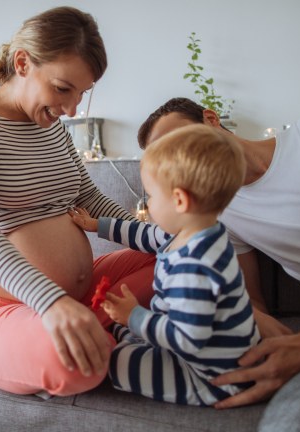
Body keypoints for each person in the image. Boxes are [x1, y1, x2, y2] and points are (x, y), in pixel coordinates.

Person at [0, 6, 156, 397]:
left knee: (178, 253)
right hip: (0, 309)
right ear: (22, 62)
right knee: (80, 364)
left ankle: (98, 327)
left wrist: (158, 235)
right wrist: (50, 300)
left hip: (81, 297)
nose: (71, 110)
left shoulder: (51, 127)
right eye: (62, 88)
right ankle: (98, 335)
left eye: (82, 94)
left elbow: (89, 197)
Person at [139, 97, 300, 428]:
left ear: (210, 119)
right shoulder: (214, 215)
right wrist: (251, 356)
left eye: (182, 139)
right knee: (293, 420)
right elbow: (252, 303)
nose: (183, 157)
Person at [69, 124, 261, 405]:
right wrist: (98, 225)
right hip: (196, 344)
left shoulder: (196, 266)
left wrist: (134, 315)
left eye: (151, 196)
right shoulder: (195, 231)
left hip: (209, 373)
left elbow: (187, 339)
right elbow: (145, 234)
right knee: (120, 331)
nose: (149, 205)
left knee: (112, 360)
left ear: (180, 200)